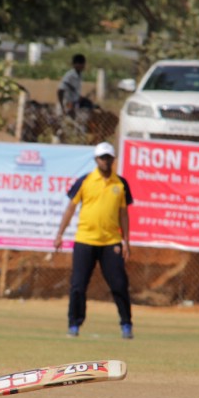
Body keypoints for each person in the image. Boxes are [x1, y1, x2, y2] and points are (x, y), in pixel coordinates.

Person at [52, 141, 134, 339]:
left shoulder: (120, 183)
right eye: (102, 158)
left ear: (113, 159)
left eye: (108, 158)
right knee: (78, 285)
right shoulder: (85, 181)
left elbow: (124, 213)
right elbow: (71, 208)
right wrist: (60, 234)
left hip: (110, 242)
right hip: (85, 240)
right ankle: (74, 324)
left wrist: (126, 240)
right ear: (96, 160)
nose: (105, 161)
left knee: (119, 284)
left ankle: (126, 324)